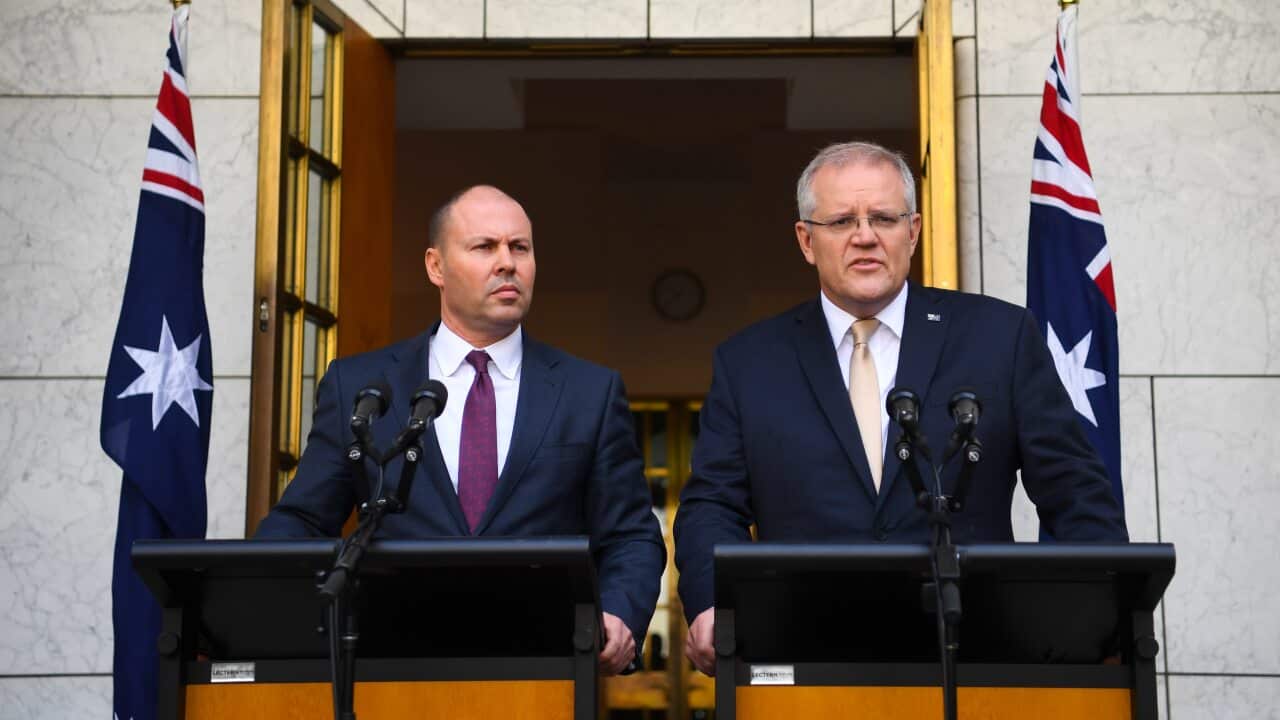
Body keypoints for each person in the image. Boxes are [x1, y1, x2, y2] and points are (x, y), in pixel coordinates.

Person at [673, 141, 1127, 675]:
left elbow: (1075, 491)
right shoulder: (748, 362)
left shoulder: (998, 338)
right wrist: (710, 603)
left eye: (883, 218)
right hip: (804, 658)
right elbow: (712, 506)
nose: (865, 236)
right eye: (842, 221)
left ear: (912, 231)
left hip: (972, 656)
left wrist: (1098, 614)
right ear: (806, 240)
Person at [256, 185, 665, 675]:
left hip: (544, 672)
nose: (507, 263)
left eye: (520, 248)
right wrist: (257, 615)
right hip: (394, 668)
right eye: (484, 247)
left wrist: (620, 614)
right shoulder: (362, 388)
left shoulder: (589, 392)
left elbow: (632, 536)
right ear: (435, 266)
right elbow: (301, 522)